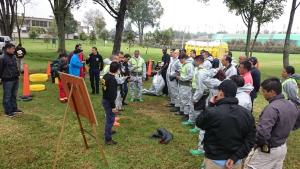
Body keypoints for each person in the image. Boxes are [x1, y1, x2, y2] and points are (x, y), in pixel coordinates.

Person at [196, 80, 256, 169]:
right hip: (235, 161)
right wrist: (236, 157)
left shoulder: (212, 112)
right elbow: (251, 139)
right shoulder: (246, 114)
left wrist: (211, 105)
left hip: (214, 160)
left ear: (221, 93)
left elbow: (199, 123)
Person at [244, 77, 300, 169]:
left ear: (272, 92)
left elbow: (262, 133)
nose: (263, 94)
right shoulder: (292, 105)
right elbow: (296, 123)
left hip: (269, 149)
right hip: (282, 147)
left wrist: (261, 145)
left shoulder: (271, 109)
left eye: (264, 91)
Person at [0, 43, 23, 117]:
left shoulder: (13, 56)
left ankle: (14, 108)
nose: (14, 50)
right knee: (7, 96)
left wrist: (18, 75)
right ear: (7, 49)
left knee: (14, 95)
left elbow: (15, 67)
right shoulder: (2, 58)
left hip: (15, 78)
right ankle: (8, 111)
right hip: (7, 80)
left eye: (14, 48)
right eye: (12, 49)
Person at [102, 61, 119, 145]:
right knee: (110, 119)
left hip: (104, 99)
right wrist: (113, 107)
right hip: (109, 101)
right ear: (117, 70)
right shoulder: (112, 80)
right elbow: (111, 95)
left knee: (109, 118)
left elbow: (106, 89)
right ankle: (108, 139)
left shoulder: (105, 76)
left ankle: (108, 131)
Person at [176, 54, 194, 122]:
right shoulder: (184, 64)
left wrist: (181, 78)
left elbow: (190, 76)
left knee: (186, 100)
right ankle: (182, 111)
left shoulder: (189, 65)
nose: (180, 61)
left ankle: (186, 114)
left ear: (184, 58)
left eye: (180, 59)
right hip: (181, 84)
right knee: (181, 98)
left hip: (186, 85)